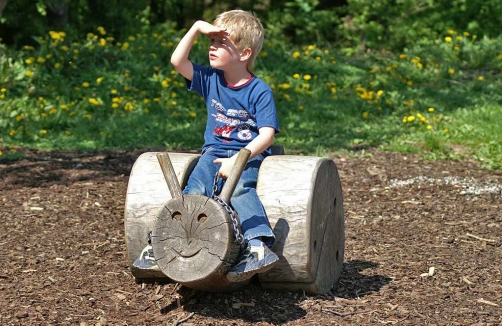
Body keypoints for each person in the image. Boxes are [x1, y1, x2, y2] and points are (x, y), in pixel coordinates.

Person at [134, 10, 280, 282]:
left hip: (247, 156)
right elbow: (177, 61)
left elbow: (267, 135)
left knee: (238, 189)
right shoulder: (211, 80)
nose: (211, 48)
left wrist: (237, 160)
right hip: (212, 153)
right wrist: (195, 28)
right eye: (210, 42)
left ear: (244, 53)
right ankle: (161, 243)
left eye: (219, 43)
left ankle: (258, 246)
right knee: (193, 191)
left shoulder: (259, 90)